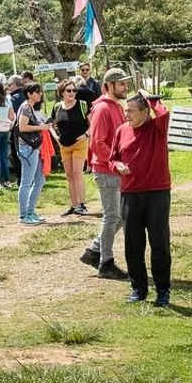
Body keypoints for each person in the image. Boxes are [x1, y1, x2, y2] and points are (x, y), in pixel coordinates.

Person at [112, 89, 173, 306]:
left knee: (159, 242)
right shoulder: (121, 131)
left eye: (131, 110)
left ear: (145, 112)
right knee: (133, 244)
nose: (126, 114)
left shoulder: (157, 127)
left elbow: (164, 113)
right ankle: (138, 288)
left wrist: (150, 98)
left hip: (157, 192)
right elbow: (113, 158)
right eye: (125, 110)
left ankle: (163, 290)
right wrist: (117, 166)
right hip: (130, 194)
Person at [79, 68, 132, 281]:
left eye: (125, 83)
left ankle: (94, 251)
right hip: (106, 170)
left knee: (119, 216)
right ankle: (105, 264)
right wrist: (115, 163)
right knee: (113, 217)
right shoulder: (102, 109)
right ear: (109, 86)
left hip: (114, 169)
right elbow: (97, 143)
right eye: (121, 84)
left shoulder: (116, 106)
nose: (125, 87)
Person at [51, 80, 91, 216]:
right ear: (62, 92)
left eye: (74, 90)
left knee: (77, 172)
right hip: (64, 145)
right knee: (69, 175)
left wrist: (86, 135)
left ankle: (82, 204)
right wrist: (56, 138)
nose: (72, 93)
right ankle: (74, 205)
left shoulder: (82, 105)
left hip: (79, 143)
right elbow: (51, 124)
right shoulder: (57, 107)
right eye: (69, 90)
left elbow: (93, 124)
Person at [13, 81, 50, 225]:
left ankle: (30, 211)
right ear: (29, 94)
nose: (40, 94)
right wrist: (41, 127)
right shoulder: (26, 107)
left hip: (32, 148)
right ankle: (23, 216)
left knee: (40, 180)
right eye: (37, 92)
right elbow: (22, 127)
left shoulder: (30, 108)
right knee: (26, 182)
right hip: (27, 149)